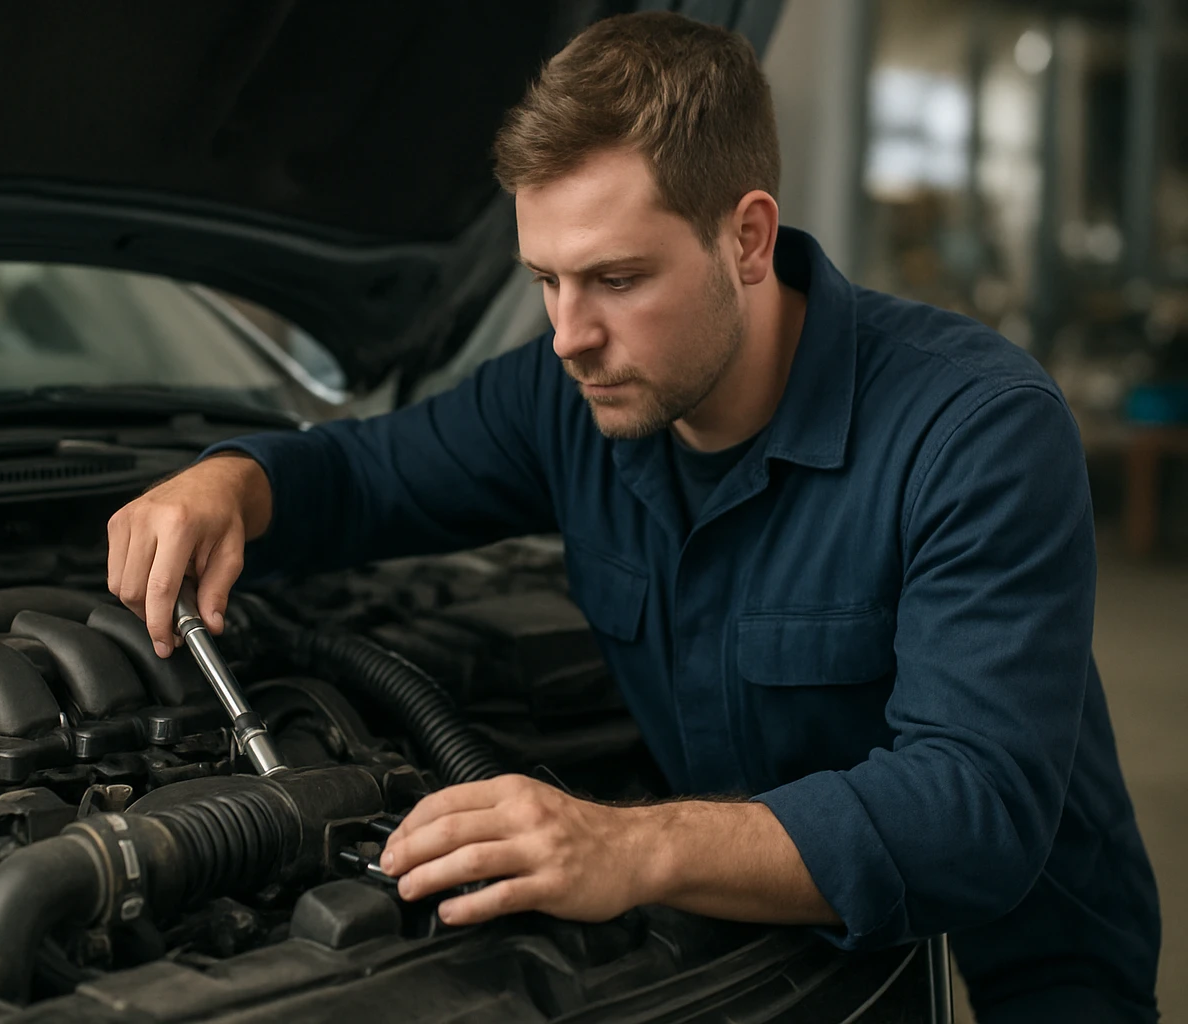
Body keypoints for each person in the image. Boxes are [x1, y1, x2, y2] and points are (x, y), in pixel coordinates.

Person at [105, 12, 1159, 1022]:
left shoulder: (975, 429)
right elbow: (364, 475)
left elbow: (973, 814)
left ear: (746, 238)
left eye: (614, 278)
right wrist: (233, 479)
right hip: (752, 927)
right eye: (545, 282)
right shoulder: (563, 395)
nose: (568, 336)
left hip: (1034, 951)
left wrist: (628, 847)